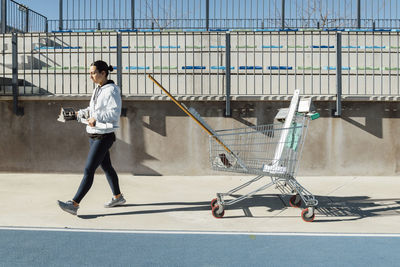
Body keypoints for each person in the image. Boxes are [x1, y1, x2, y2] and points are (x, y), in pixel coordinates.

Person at [58, 60, 125, 215]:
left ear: (103, 73)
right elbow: (92, 109)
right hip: (93, 134)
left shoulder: (112, 90)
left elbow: (114, 113)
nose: (91, 76)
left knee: (89, 169)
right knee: (107, 167)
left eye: (93, 73)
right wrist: (78, 113)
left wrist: (97, 117)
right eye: (90, 73)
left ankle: (74, 204)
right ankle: (118, 197)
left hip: (104, 136)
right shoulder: (98, 89)